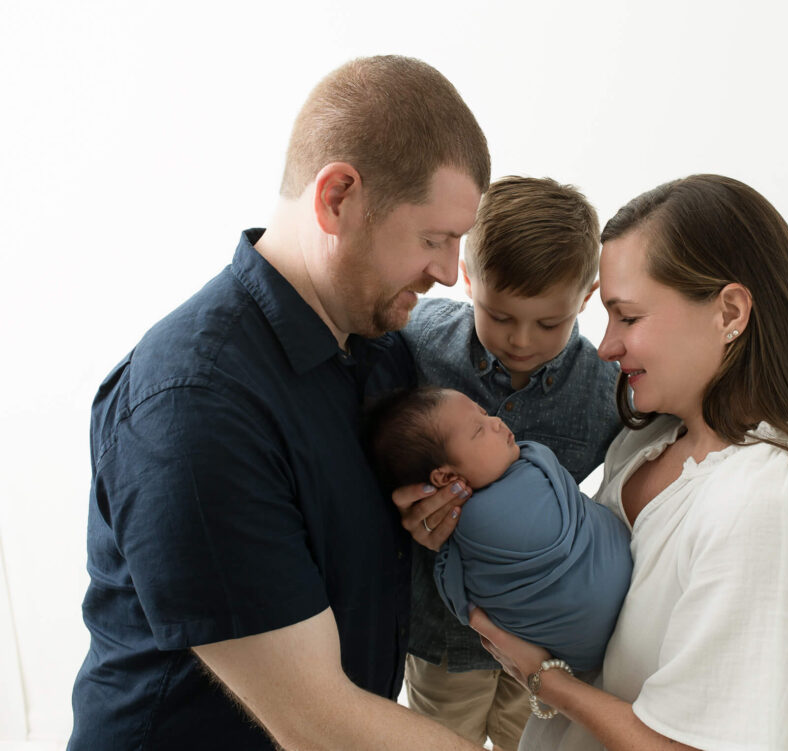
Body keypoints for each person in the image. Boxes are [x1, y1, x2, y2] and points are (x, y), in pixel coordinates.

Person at [68, 56, 493, 750]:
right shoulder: (192, 410)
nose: (450, 272)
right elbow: (321, 725)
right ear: (337, 198)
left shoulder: (379, 348)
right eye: (434, 239)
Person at [467, 174, 788, 751]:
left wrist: (541, 677)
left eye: (627, 318)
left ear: (729, 311)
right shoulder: (645, 443)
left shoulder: (775, 502)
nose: (605, 346)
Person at [395, 176, 622, 750]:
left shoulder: (609, 392)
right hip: (442, 638)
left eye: (549, 323)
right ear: (468, 279)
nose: (521, 340)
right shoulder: (414, 344)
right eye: (498, 315)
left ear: (587, 297)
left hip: (551, 644)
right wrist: (399, 503)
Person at [366, 386, 631, 671]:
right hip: (596, 628)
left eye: (486, 414)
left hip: (573, 652)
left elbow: (456, 589)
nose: (496, 422)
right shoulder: (481, 515)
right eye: (479, 430)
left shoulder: (601, 384)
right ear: (446, 476)